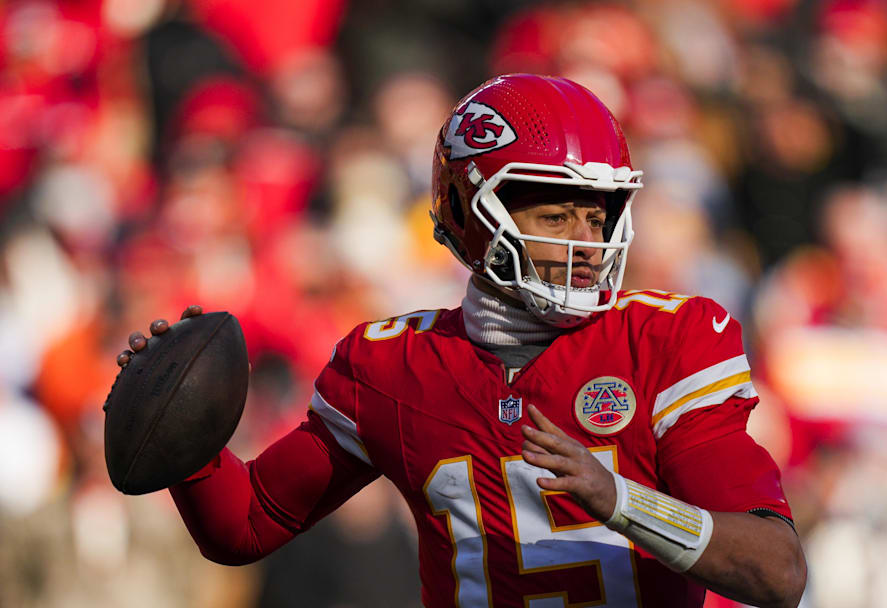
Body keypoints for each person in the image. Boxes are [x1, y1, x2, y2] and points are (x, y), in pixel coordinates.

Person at [116, 74, 806, 608]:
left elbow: (775, 572)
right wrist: (182, 437)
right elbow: (247, 524)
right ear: (469, 215)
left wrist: (622, 500)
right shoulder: (392, 364)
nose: (588, 244)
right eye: (557, 213)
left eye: (599, 215)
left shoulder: (667, 339)